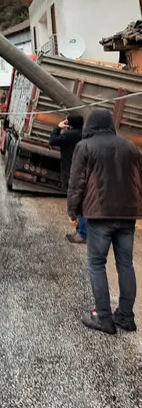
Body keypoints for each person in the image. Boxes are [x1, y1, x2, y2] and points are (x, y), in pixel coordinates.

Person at [68, 108, 142, 334]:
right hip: (128, 215)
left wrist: (73, 211)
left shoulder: (84, 147)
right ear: (111, 124)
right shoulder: (130, 146)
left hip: (99, 215)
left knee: (97, 264)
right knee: (125, 264)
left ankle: (104, 317)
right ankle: (126, 317)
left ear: (89, 125)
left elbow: (77, 182)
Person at [49, 113, 85, 242]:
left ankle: (81, 233)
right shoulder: (85, 135)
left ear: (69, 124)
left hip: (70, 173)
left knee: (76, 204)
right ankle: (80, 231)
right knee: (82, 202)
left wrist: (58, 127)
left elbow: (52, 141)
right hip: (83, 174)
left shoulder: (68, 136)